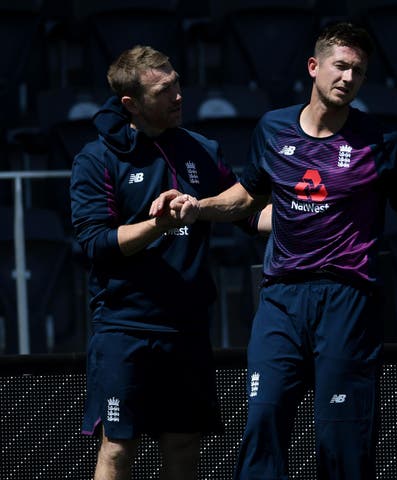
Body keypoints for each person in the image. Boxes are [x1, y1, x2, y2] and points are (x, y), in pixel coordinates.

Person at [150, 21, 397, 479]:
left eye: (358, 71)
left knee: (341, 437)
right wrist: (198, 206)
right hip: (280, 298)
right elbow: (247, 196)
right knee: (263, 420)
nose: (348, 78)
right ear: (314, 66)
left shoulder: (383, 142)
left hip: (349, 300)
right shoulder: (272, 128)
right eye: (340, 66)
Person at [70, 45, 265, 480]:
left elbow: (247, 213)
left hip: (188, 327)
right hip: (125, 327)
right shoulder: (97, 159)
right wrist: (158, 225)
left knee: (183, 442)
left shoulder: (202, 148)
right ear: (131, 104)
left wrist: (316, 214)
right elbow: (95, 243)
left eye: (177, 82)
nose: (178, 95)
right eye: (164, 90)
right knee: (119, 446)